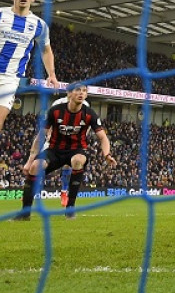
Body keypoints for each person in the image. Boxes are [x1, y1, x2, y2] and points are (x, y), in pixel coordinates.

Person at [15, 83, 116, 220]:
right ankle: (25, 213)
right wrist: (29, 161)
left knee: (78, 161)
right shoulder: (55, 111)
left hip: (76, 150)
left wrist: (107, 155)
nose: (81, 93)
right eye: (78, 90)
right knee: (34, 167)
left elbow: (103, 138)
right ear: (69, 94)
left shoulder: (89, 114)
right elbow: (40, 136)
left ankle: (70, 209)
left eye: (84, 91)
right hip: (54, 150)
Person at [0, 0, 60, 132]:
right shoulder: (1, 14)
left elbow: (46, 50)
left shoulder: (39, 25)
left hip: (9, 78)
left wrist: (51, 74)